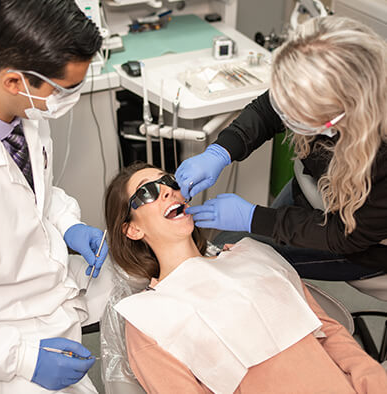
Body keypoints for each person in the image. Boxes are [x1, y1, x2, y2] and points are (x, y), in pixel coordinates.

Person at [0, 0, 114, 393]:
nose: (69, 98)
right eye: (65, 89)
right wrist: (22, 357)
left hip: (37, 287)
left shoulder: (13, 103)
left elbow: (28, 191)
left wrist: (67, 223)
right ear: (16, 80)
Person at [104, 162, 387, 393]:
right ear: (132, 230)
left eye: (168, 180)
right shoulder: (149, 317)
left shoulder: (255, 256)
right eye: (147, 193)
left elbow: (332, 336)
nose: (166, 190)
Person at [175, 16, 387, 281]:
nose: (286, 119)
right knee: (239, 245)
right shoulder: (319, 78)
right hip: (315, 190)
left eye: (298, 116)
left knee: (255, 265)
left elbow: (342, 236)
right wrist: (221, 151)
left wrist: (257, 218)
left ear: (347, 112)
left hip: (358, 239)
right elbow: (268, 110)